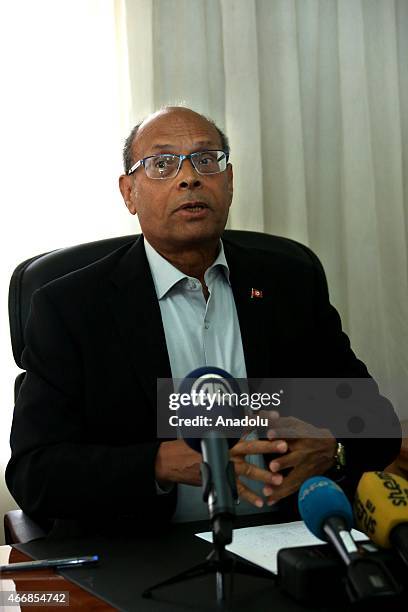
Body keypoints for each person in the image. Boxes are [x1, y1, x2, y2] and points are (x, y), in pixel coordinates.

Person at [6, 107, 401, 535]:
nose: (189, 177)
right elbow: (34, 472)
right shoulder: (70, 307)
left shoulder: (289, 283)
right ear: (129, 193)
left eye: (207, 160)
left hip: (283, 543)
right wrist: (156, 464)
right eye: (162, 163)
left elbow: (375, 427)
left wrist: (336, 450)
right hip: (143, 557)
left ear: (228, 184)